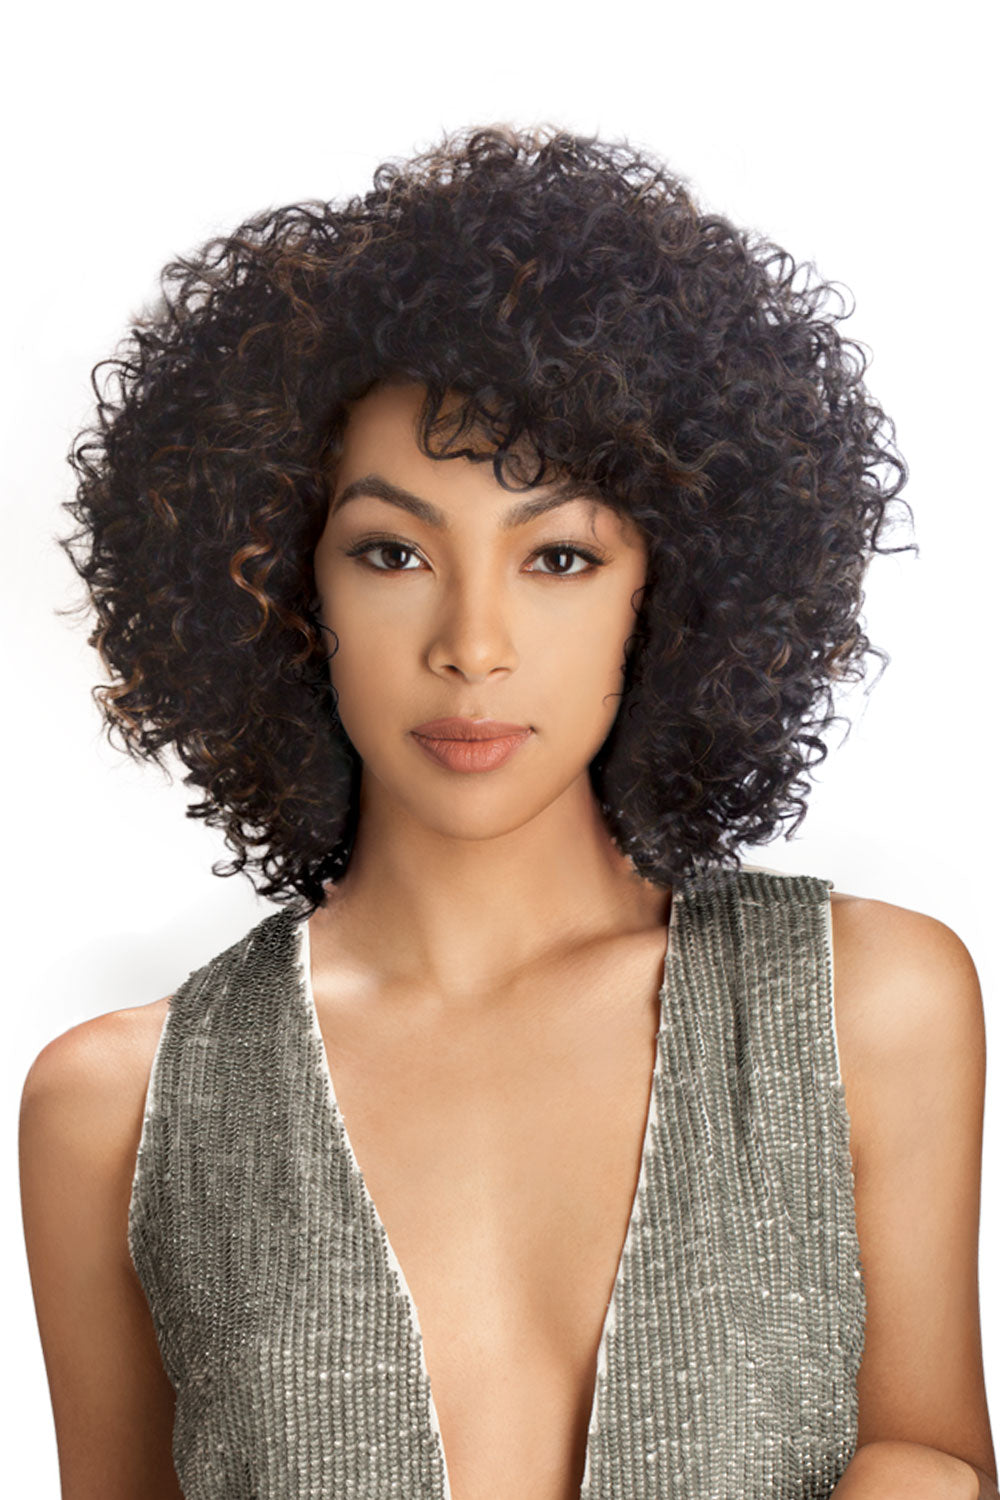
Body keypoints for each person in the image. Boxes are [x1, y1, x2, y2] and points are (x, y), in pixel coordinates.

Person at [18, 122, 996, 1500]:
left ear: (669, 589)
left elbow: (941, 1457)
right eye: (392, 551)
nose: (472, 646)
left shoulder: (866, 1009)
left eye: (559, 557)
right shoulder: (116, 1111)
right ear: (283, 587)